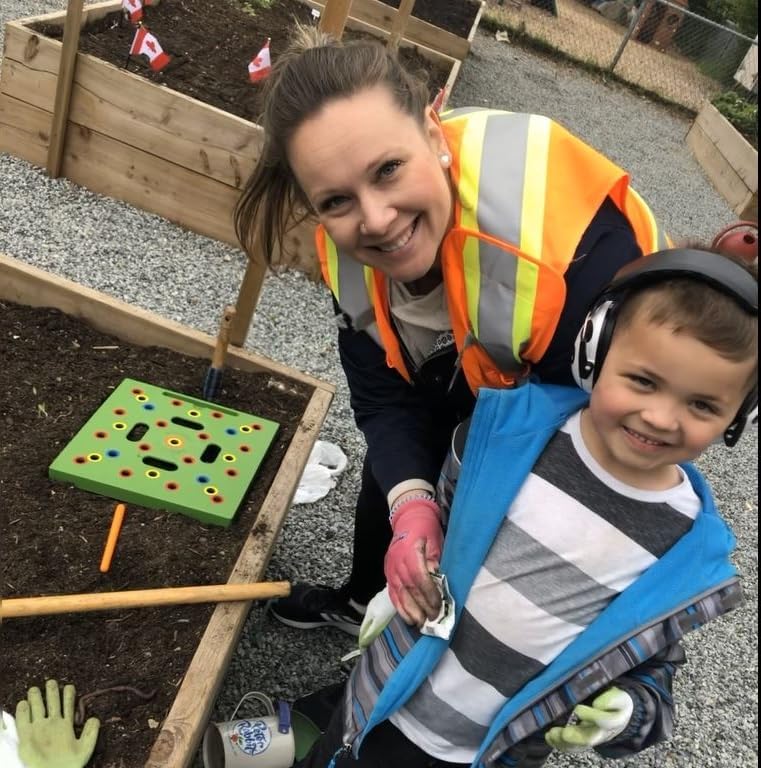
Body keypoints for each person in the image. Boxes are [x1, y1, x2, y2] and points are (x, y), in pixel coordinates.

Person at [234, 24, 673, 634]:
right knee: (397, 475)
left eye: (388, 169)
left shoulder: (573, 262)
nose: (378, 220)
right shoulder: (348, 257)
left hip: (573, 380)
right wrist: (414, 509)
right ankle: (364, 599)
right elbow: (385, 397)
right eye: (336, 200)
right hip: (478, 355)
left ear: (434, 135)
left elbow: (594, 461)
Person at [290, 247, 758, 767]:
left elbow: (654, 664)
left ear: (741, 416)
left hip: (487, 754)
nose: (662, 417)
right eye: (643, 381)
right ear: (594, 351)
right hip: (382, 690)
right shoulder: (503, 436)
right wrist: (398, 580)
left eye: (702, 405)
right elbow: (440, 526)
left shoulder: (688, 553)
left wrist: (629, 713)